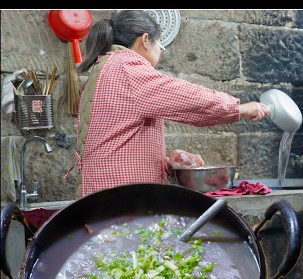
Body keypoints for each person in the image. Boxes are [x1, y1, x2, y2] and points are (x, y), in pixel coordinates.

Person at [68, 10, 269, 198]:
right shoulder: (128, 69)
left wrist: (163, 163)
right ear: (145, 40)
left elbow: (115, 138)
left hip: (102, 193)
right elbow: (189, 99)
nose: (160, 53)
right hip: (124, 197)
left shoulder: (104, 68)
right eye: (160, 46)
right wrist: (239, 108)